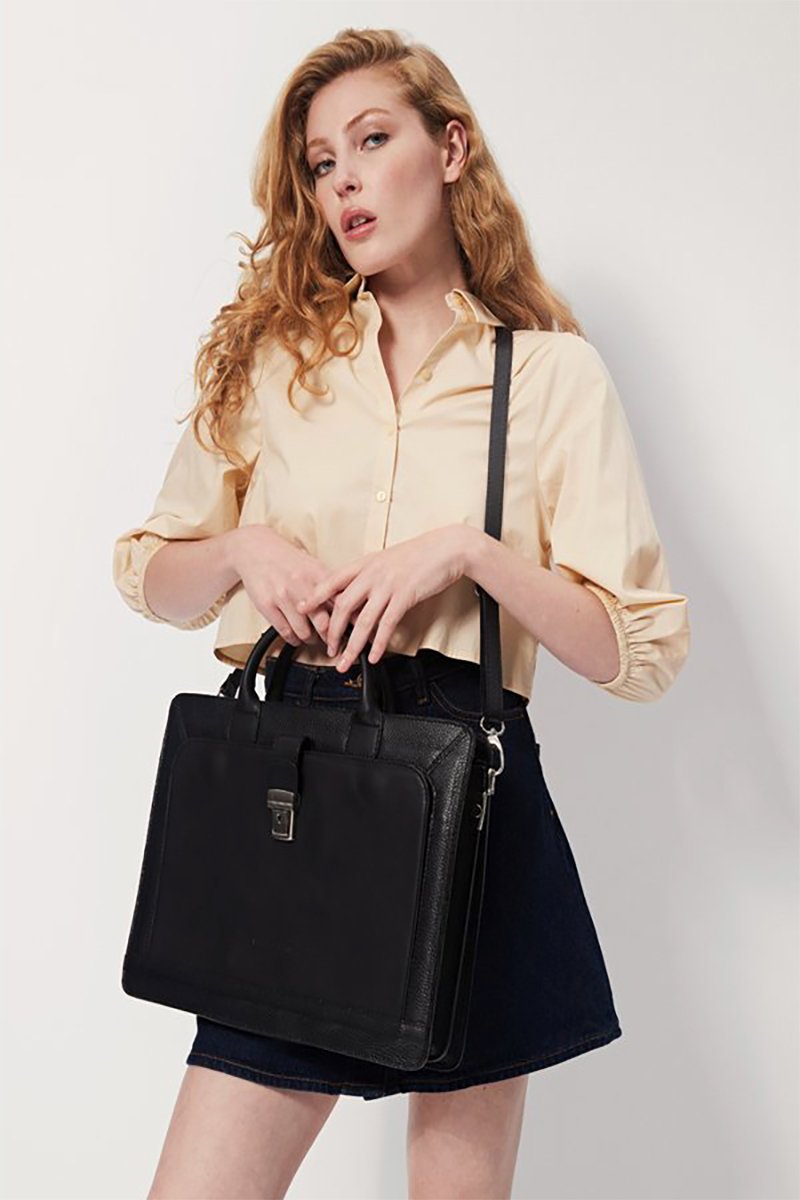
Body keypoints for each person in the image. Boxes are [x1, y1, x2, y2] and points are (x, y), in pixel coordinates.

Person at [112, 26, 691, 1200]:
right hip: (296, 791)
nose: (344, 182)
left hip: (467, 793)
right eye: (322, 163)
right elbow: (150, 576)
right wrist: (242, 548)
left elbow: (636, 652)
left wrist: (469, 555)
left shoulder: (548, 376)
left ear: (451, 148)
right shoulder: (277, 363)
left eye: (372, 141)